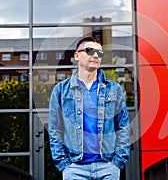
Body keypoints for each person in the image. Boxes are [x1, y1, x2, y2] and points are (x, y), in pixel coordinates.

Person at [48, 37, 130, 179]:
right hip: (75, 168)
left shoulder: (114, 89)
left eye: (100, 53)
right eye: (90, 50)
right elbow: (55, 130)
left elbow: (123, 127)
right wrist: (64, 164)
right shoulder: (61, 90)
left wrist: (117, 162)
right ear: (77, 56)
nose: (96, 55)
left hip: (108, 167)